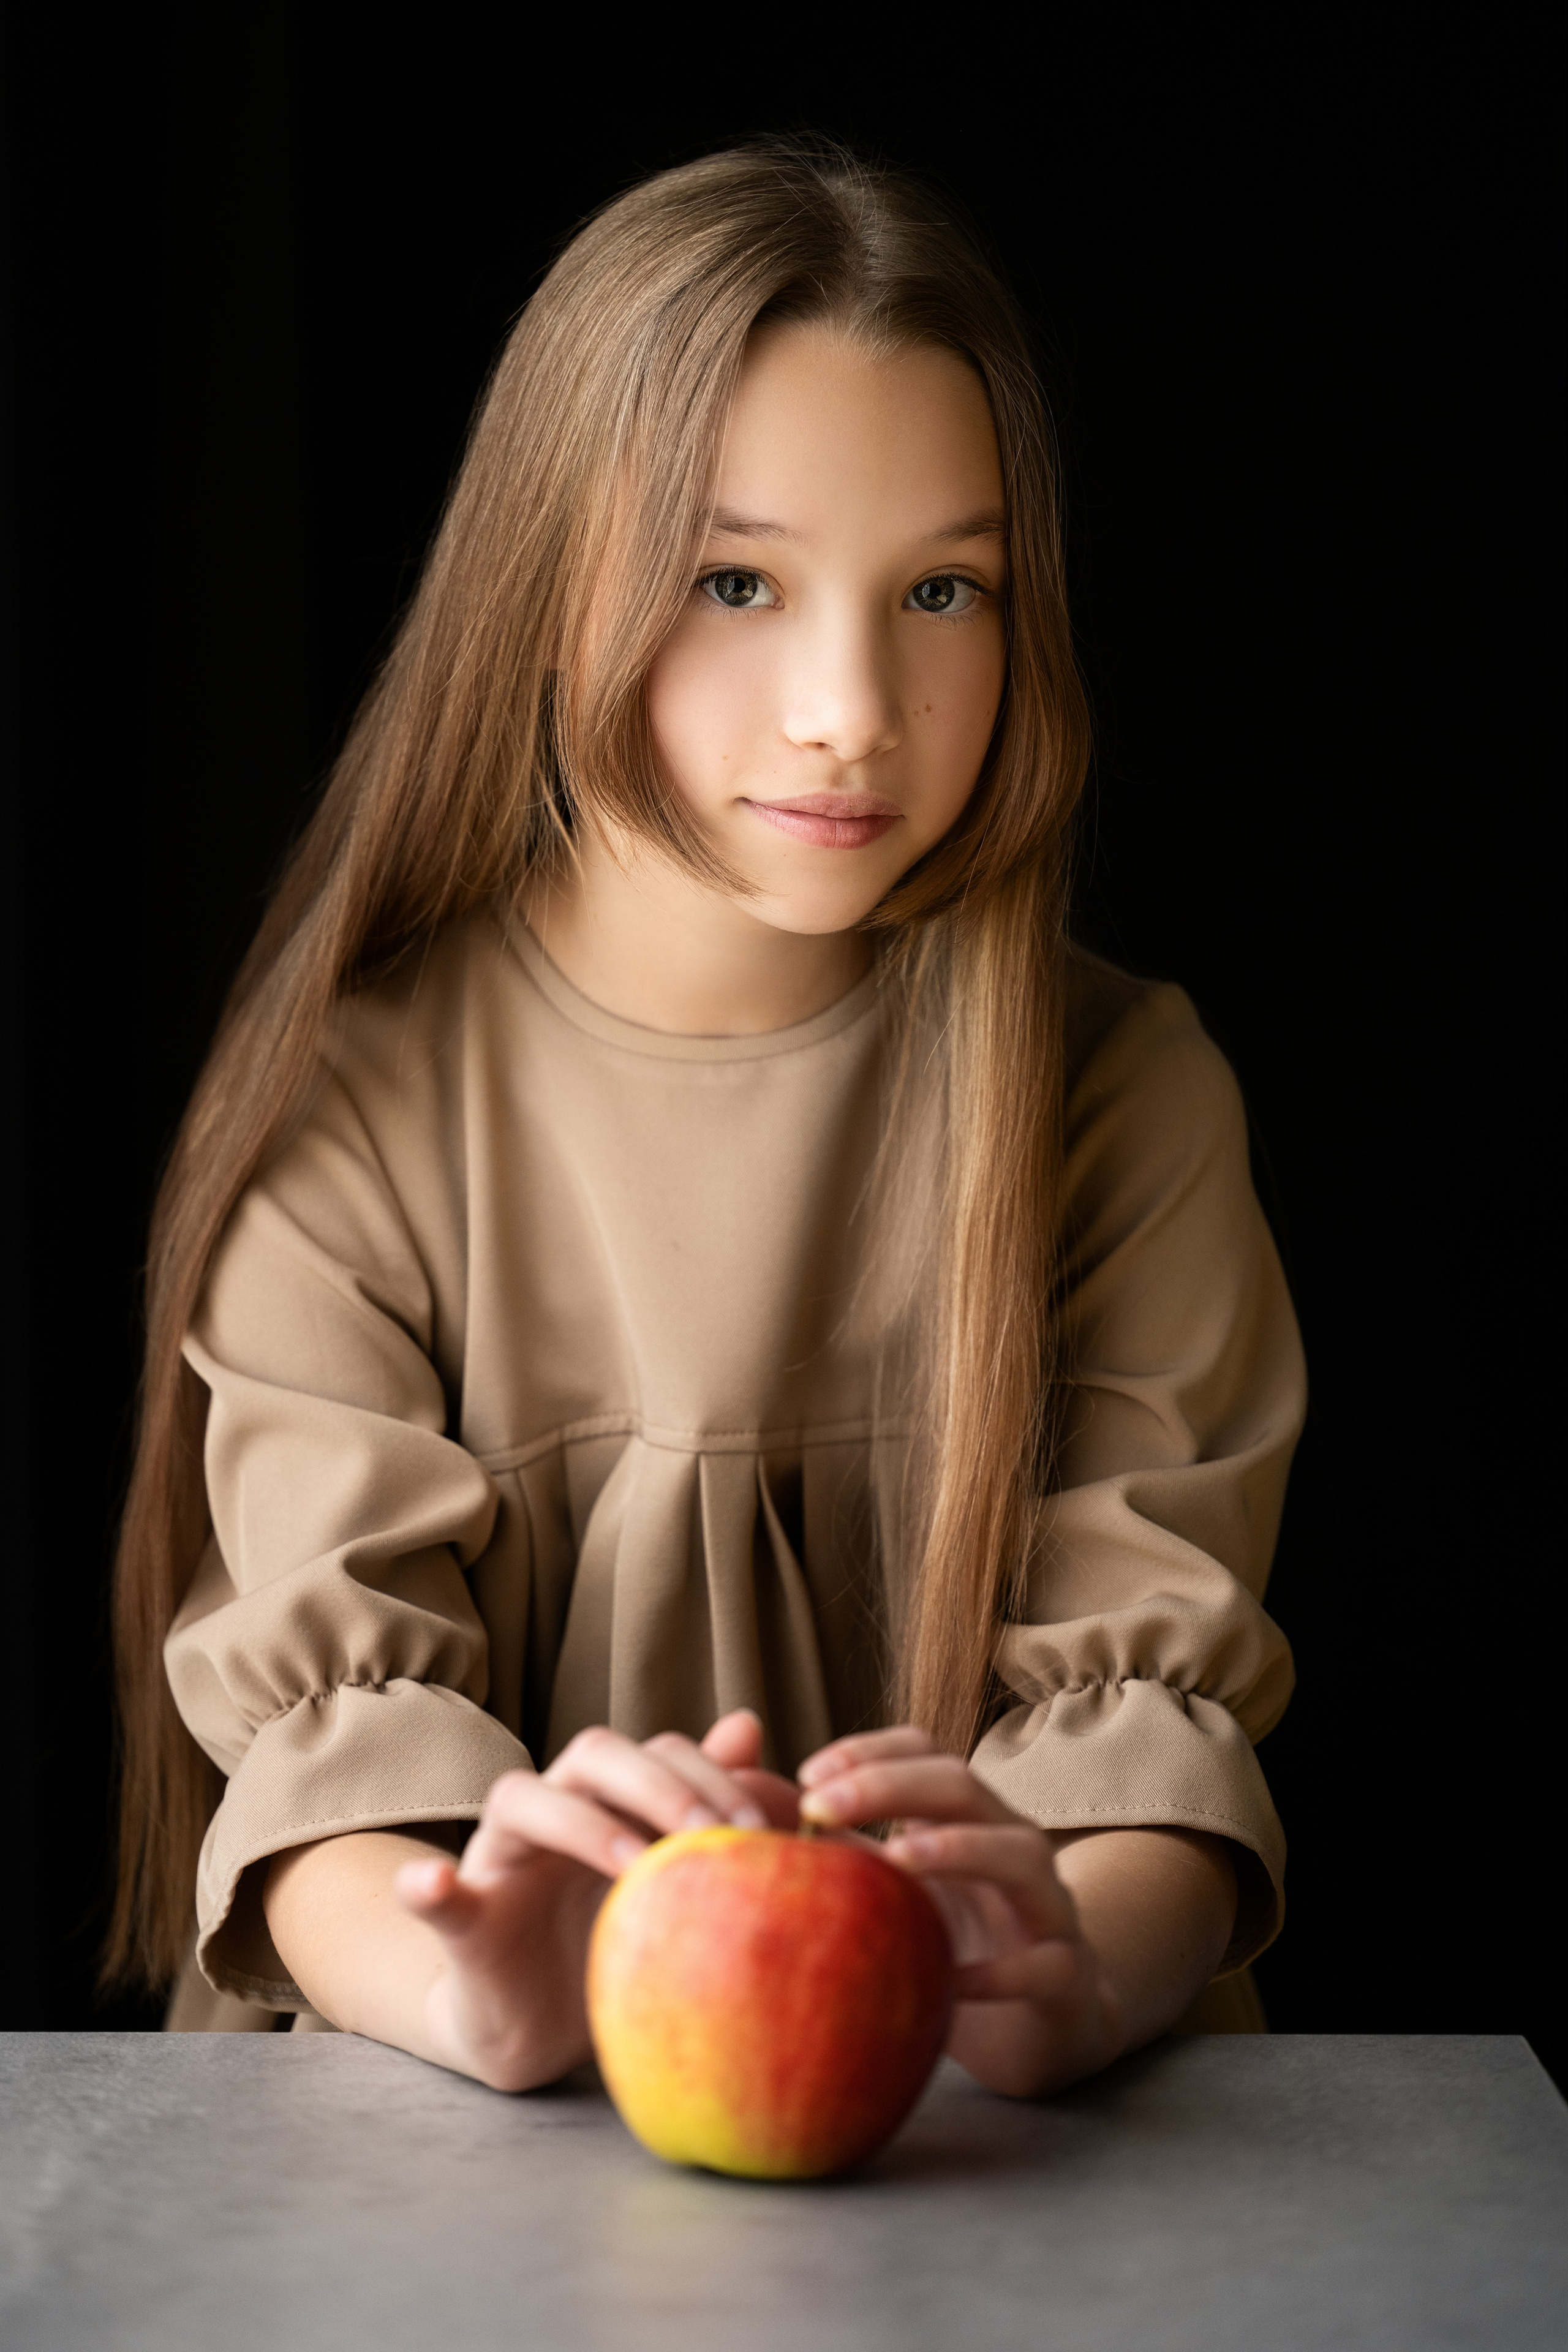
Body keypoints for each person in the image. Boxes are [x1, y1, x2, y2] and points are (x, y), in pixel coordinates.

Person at [111, 141, 1304, 2099]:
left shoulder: (1123, 1094)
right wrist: (463, 1990)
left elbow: (1152, 1719)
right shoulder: (361, 1110)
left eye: (945, 589)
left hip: (1008, 2173)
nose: (850, 702)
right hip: (414, 2163)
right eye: (735, 580)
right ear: (547, 590)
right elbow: (328, 1767)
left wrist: (1078, 1963)